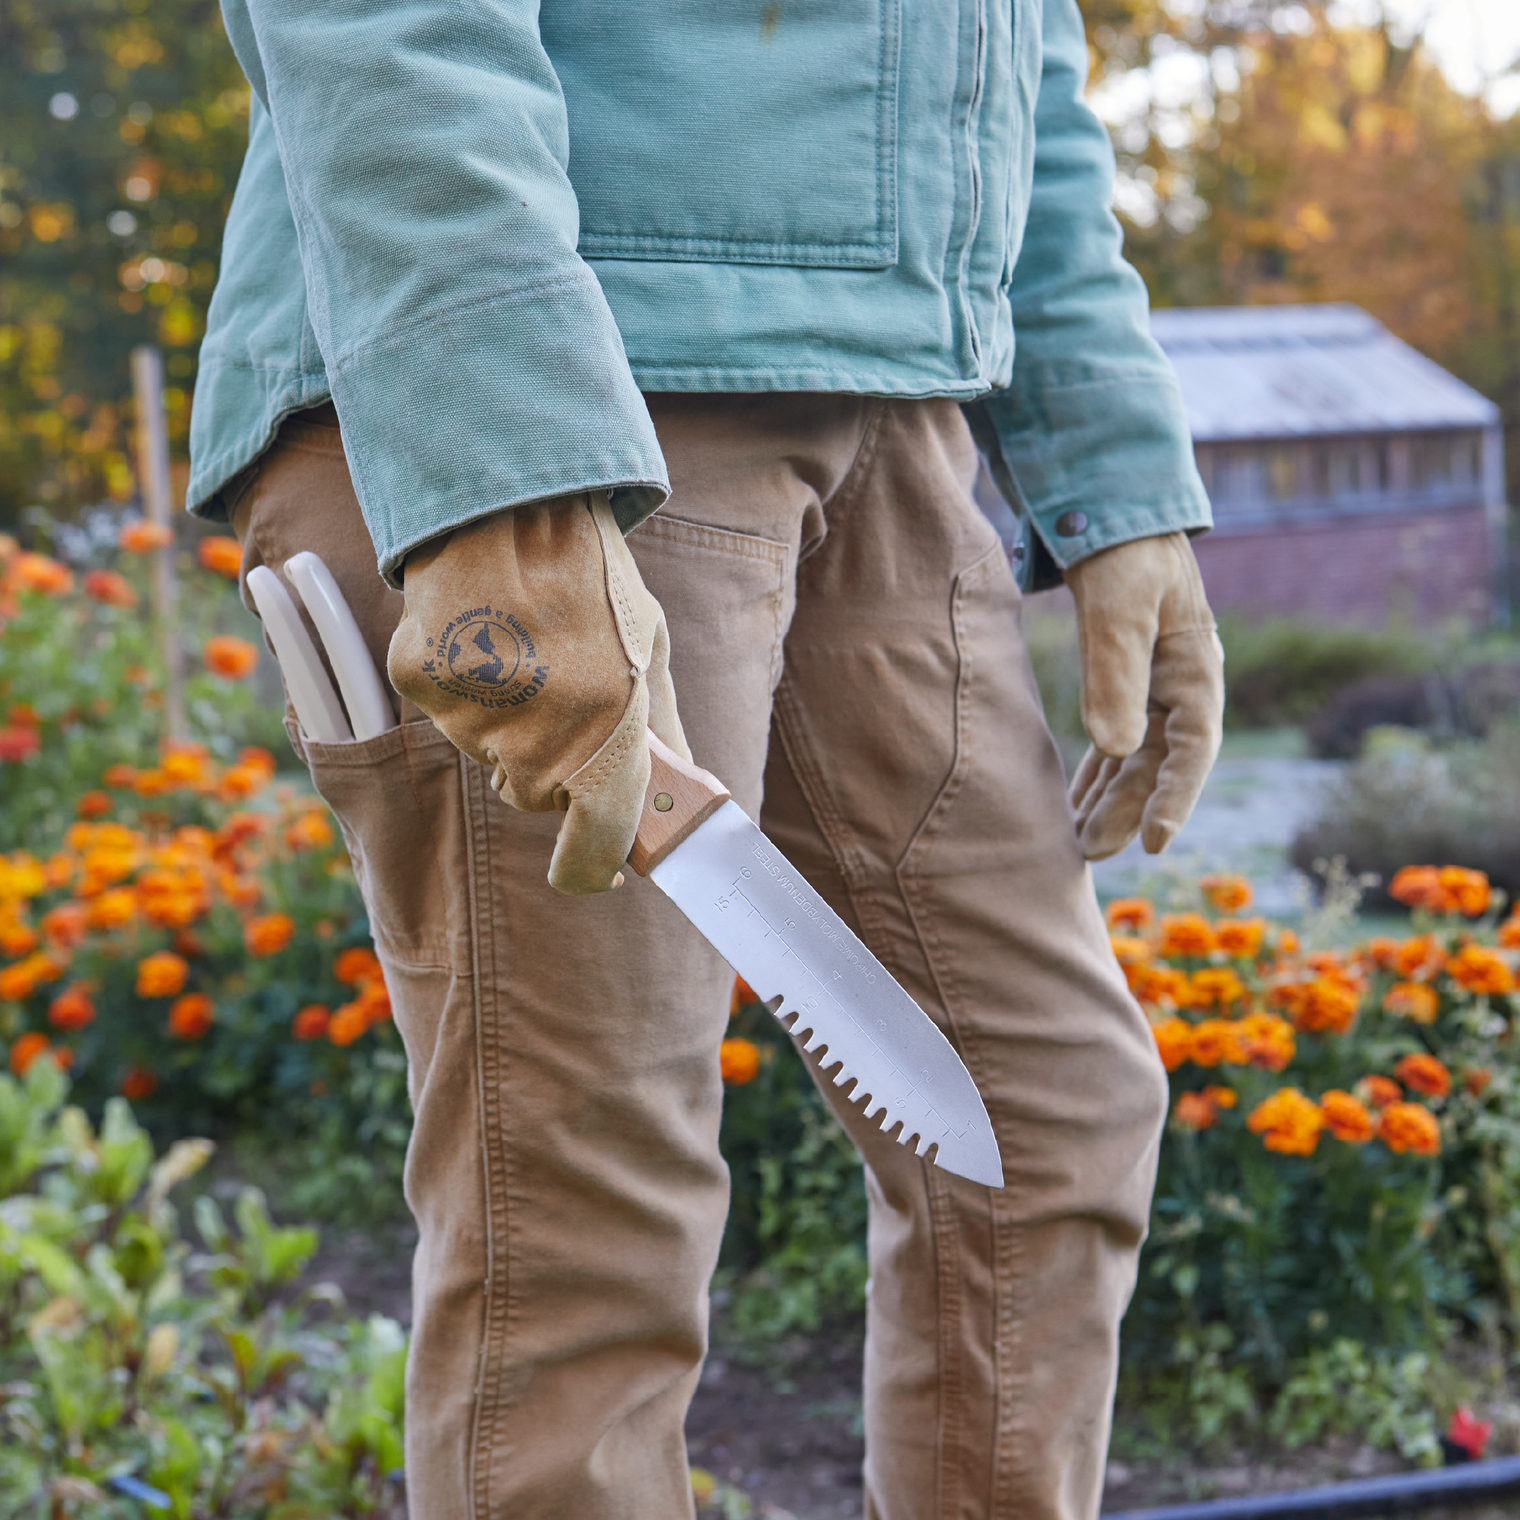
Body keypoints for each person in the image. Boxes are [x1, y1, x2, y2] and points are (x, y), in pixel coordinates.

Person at [189, 1, 1225, 1515]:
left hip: (901, 400)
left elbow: (1019, 47)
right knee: (585, 1235)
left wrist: (1114, 467)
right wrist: (502, 464)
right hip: (576, 383)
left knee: (1042, 1125)